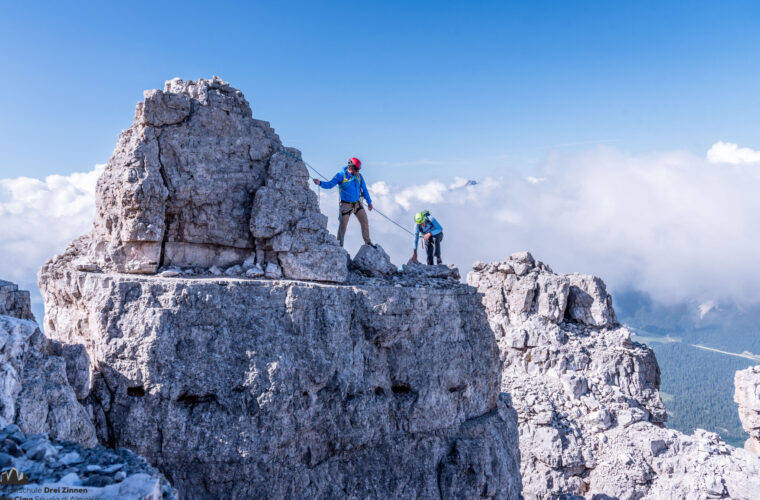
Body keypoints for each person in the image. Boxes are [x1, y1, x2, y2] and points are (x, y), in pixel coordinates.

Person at [313, 157, 374, 247]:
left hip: (357, 204)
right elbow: (330, 184)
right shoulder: (341, 175)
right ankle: (339, 246)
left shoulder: (359, 176)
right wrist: (320, 183)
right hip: (345, 205)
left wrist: (369, 202)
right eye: (356, 169)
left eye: (359, 169)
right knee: (342, 227)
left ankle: (368, 242)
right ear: (351, 167)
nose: (358, 171)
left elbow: (364, 190)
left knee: (364, 222)